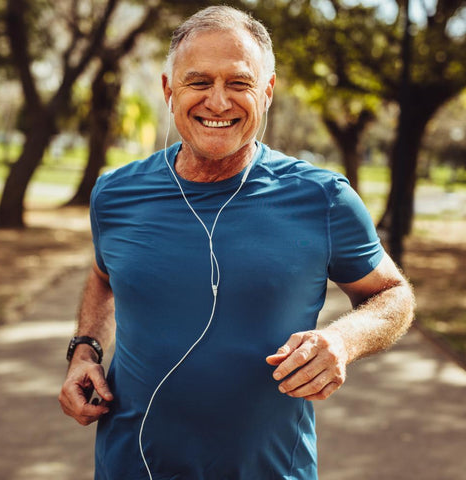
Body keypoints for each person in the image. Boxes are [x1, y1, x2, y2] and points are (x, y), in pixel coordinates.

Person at [59, 6, 415, 480]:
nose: (219, 102)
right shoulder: (115, 194)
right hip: (128, 464)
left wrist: (341, 340)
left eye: (239, 83)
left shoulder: (324, 197)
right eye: (199, 82)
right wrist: (85, 351)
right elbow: (105, 276)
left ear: (266, 93)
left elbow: (393, 294)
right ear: (169, 90)